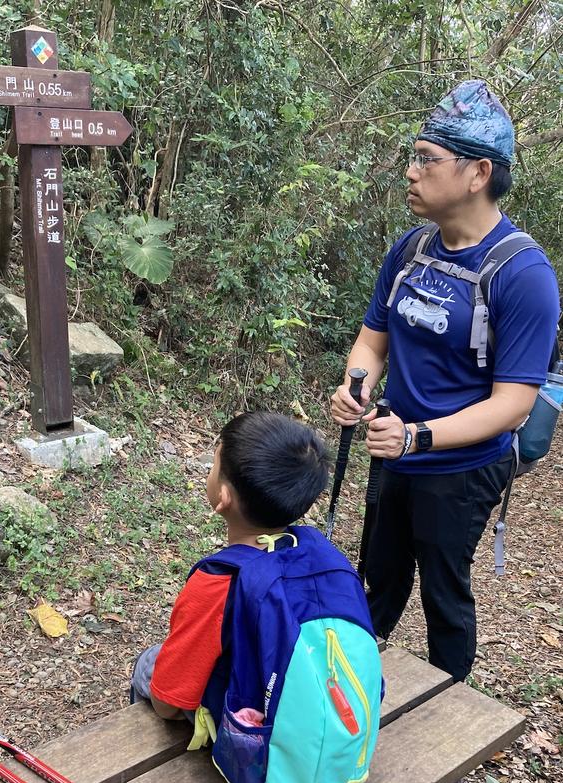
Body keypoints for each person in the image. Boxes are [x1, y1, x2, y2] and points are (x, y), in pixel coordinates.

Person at [330, 79, 560, 683]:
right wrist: (356, 384)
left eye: (426, 160)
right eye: (413, 157)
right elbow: (373, 339)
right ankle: (341, 690)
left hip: (461, 468)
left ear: (478, 172)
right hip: (394, 450)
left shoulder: (523, 274)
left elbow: (513, 404)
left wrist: (419, 438)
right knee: (377, 575)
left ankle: (448, 711)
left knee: (444, 592)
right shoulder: (411, 249)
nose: (410, 172)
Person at [130, 410, 333, 721]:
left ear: (223, 498)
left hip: (251, 729)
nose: (211, 471)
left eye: (215, 465)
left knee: (147, 663)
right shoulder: (318, 554)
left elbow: (168, 704)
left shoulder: (217, 583)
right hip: (310, 704)